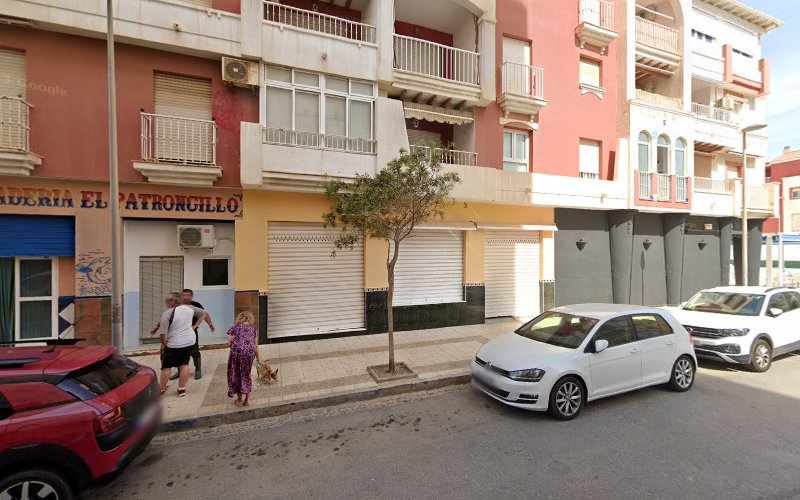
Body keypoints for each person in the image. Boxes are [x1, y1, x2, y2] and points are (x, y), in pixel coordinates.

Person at [151, 293, 208, 397]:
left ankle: (162, 389)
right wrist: (195, 326)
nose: (166, 302)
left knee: (166, 367)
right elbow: (204, 313)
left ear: (173, 301)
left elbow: (163, 333)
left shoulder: (167, 314)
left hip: (173, 344)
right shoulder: (189, 308)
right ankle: (182, 389)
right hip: (189, 341)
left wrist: (164, 345)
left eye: (168, 300)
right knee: (184, 364)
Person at [175, 288, 214, 380]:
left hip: (192, 331)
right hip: (179, 332)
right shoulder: (178, 305)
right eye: (184, 295)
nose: (185, 297)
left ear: (191, 296)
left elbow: (205, 315)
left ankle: (198, 369)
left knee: (194, 351)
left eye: (188, 295)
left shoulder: (196, 305)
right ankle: (180, 371)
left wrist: (210, 324)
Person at [226, 311, 259, 407]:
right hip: (249, 355)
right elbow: (256, 346)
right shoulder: (253, 329)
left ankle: (239, 398)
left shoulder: (235, 328)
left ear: (239, 319)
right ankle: (247, 401)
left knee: (236, 375)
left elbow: (229, 342)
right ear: (250, 319)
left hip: (237, 354)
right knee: (246, 375)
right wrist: (258, 359)